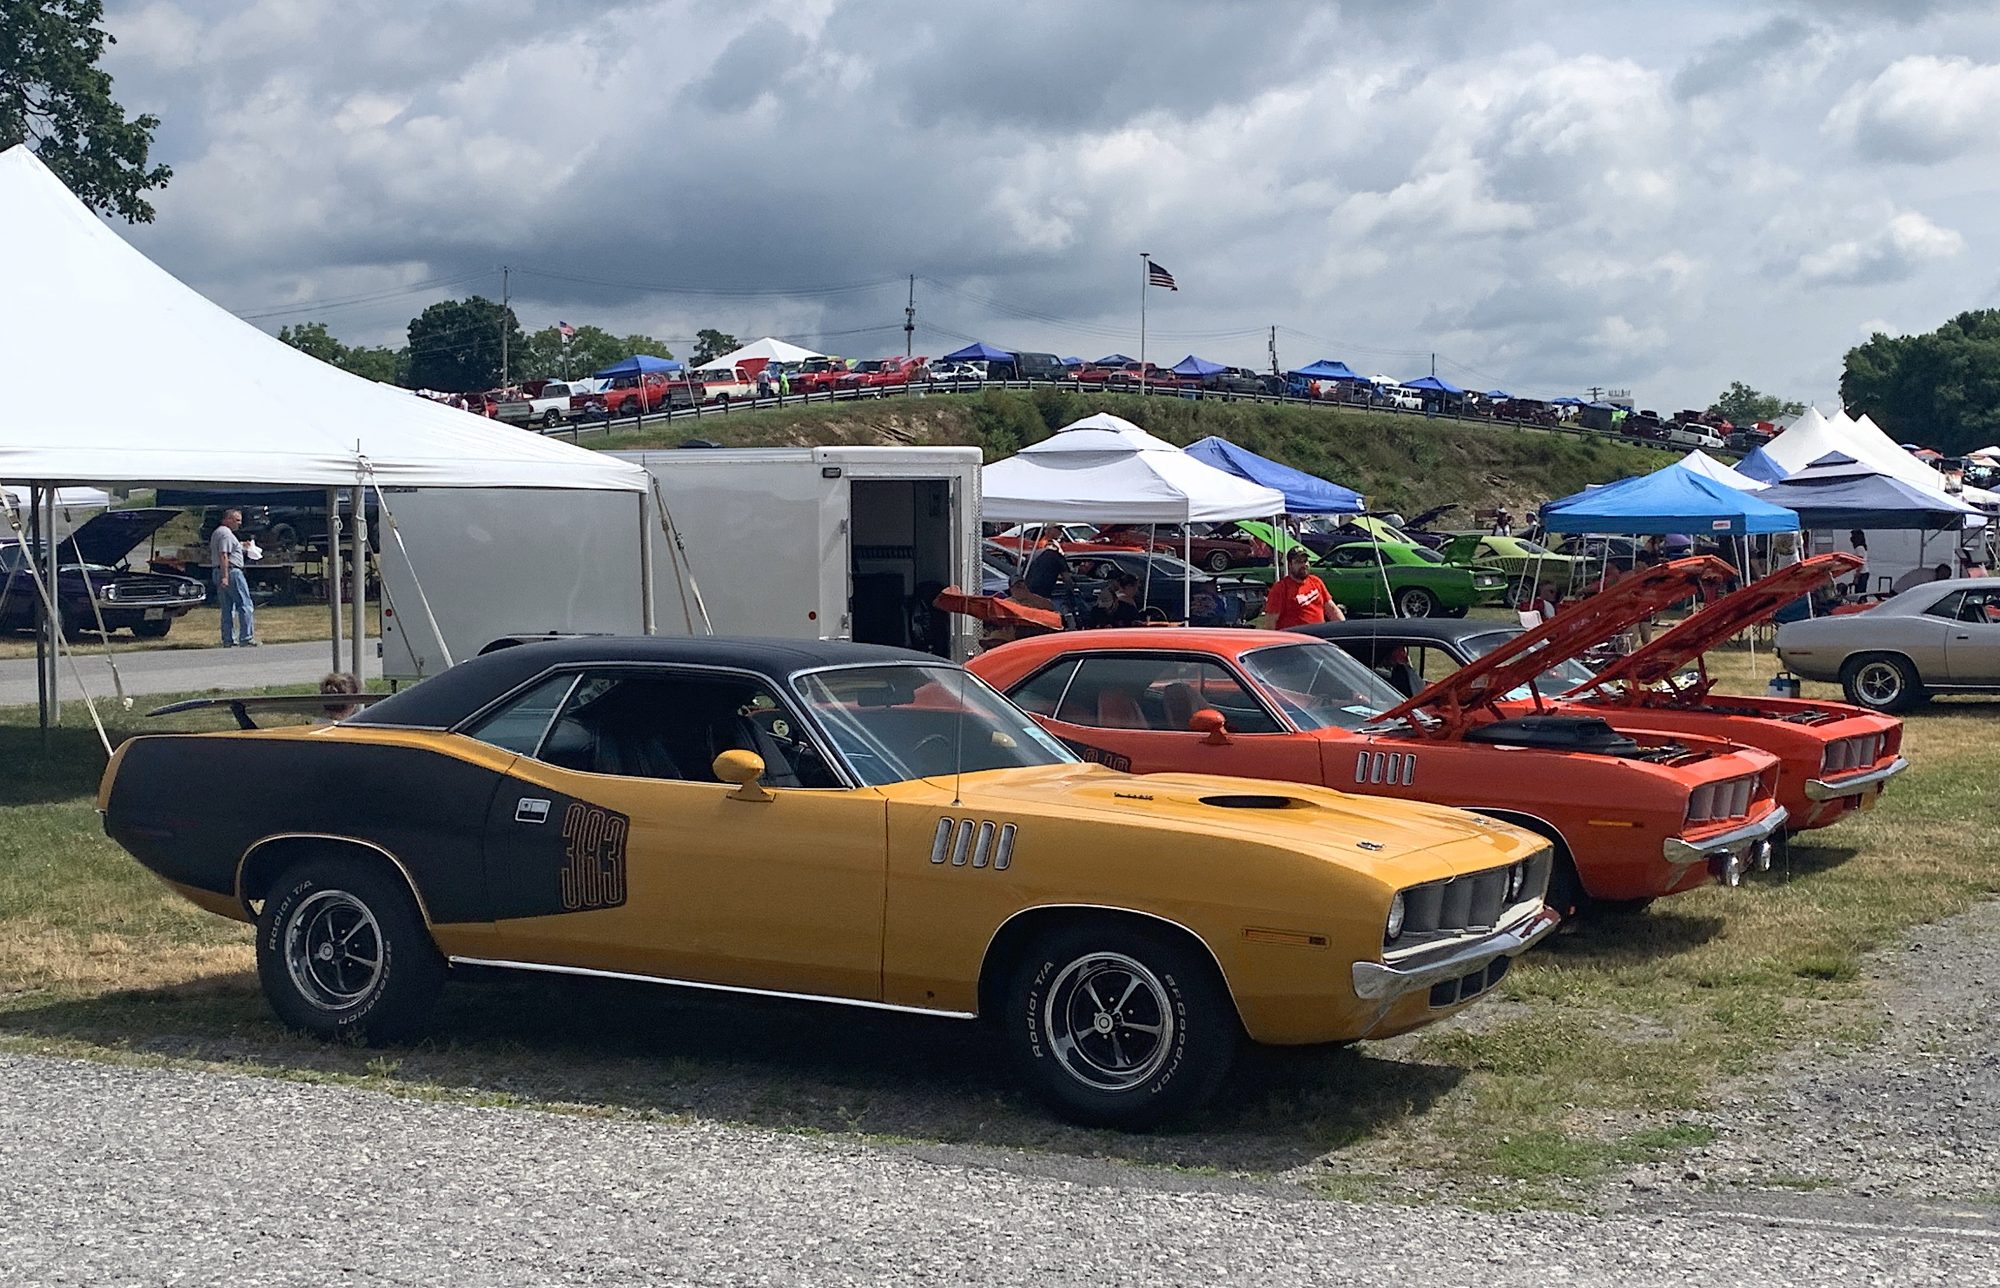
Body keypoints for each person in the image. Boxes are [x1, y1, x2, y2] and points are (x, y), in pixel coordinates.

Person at [208, 508, 257, 647]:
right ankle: (246, 637)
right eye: (237, 520)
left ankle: (228, 639)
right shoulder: (225, 534)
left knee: (227, 607)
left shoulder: (219, 533)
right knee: (245, 604)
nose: (239, 523)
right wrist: (225, 576)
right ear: (227, 519)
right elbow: (224, 555)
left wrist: (242, 546)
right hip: (231, 571)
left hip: (219, 571)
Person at [1265, 547, 1342, 629]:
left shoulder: (1316, 581)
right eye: (1298, 562)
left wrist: (1343, 628)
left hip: (1320, 635)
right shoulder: (1280, 588)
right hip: (1298, 638)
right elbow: (1271, 621)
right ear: (1290, 565)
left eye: (1305, 561)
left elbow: (1331, 609)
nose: (1303, 565)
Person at [1848, 530, 1870, 596]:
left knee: (1859, 593)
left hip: (1861, 574)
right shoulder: (1862, 548)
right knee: (1862, 593)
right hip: (1864, 573)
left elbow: (1860, 563)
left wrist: (1856, 577)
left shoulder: (1859, 548)